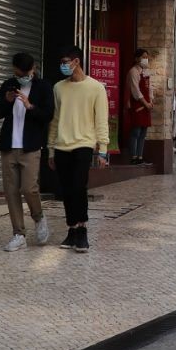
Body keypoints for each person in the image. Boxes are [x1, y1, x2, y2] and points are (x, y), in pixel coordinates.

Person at [48, 48, 107, 252]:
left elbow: (101, 120)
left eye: (66, 61)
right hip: (62, 145)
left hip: (84, 144)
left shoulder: (96, 88)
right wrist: (51, 150)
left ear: (76, 61)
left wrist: (103, 149)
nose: (63, 65)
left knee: (78, 186)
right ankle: (71, 229)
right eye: (61, 62)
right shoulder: (58, 88)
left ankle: (82, 230)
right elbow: (55, 120)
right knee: (65, 190)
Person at [0, 52, 54, 251]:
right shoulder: (9, 85)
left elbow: (47, 115)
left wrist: (30, 106)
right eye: (16, 73)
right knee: (11, 192)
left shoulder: (43, 87)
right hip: (9, 146)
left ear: (32, 69)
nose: (19, 76)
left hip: (31, 146)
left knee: (29, 188)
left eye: (22, 73)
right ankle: (18, 234)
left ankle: (39, 217)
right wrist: (7, 100)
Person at [124, 48, 153, 165]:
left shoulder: (146, 71)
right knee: (136, 131)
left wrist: (151, 101)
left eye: (147, 57)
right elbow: (135, 91)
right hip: (138, 104)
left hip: (146, 105)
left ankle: (140, 156)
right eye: (143, 57)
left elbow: (150, 87)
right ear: (137, 58)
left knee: (143, 132)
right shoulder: (133, 72)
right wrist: (145, 103)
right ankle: (133, 156)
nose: (145, 59)